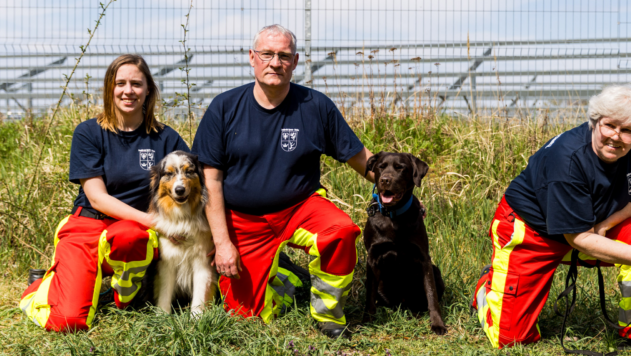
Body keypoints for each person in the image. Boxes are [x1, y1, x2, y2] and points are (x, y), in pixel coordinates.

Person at [191, 24, 374, 339]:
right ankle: (284, 277)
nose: (275, 62)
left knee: (340, 231)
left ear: (295, 61)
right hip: (243, 220)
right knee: (241, 319)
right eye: (267, 54)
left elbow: (361, 159)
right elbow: (211, 181)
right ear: (252, 58)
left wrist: (399, 193)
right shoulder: (224, 108)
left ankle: (328, 314)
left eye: (284, 56)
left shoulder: (316, 106)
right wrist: (222, 244)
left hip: (299, 207)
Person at [472, 85, 631, 348]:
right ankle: (486, 288)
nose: (616, 136)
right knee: (510, 339)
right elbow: (578, 238)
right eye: (609, 126)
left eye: (626, 130)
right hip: (533, 231)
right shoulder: (567, 158)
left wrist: (604, 226)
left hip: (592, 226)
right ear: (594, 122)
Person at [19, 54, 190, 331]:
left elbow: (193, 180)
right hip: (88, 223)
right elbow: (97, 197)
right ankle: (40, 286)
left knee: (131, 236)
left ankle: (124, 297)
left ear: (148, 89)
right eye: (120, 83)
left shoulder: (165, 137)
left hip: (132, 231)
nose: (128, 91)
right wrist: (159, 223)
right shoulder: (89, 132)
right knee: (68, 322)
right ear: (109, 87)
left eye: (136, 83)